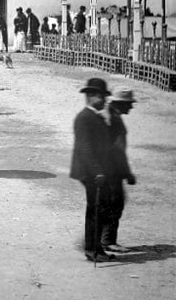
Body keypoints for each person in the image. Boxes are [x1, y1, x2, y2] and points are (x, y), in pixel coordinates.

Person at [70, 77, 115, 263]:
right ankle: (92, 250)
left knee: (100, 209)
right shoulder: (84, 118)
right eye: (101, 96)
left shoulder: (95, 117)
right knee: (96, 210)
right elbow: (85, 148)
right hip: (89, 172)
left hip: (95, 171)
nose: (104, 100)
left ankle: (94, 247)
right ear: (90, 96)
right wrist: (97, 171)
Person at [101, 85, 137, 254]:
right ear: (120, 103)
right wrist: (127, 173)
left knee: (109, 203)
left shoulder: (109, 114)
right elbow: (117, 151)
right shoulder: (112, 119)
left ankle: (101, 239)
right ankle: (107, 241)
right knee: (115, 204)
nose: (131, 106)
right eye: (129, 103)